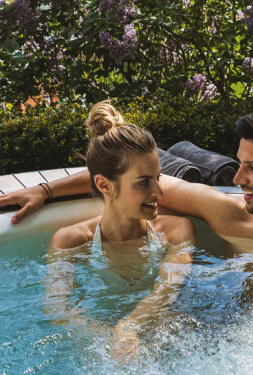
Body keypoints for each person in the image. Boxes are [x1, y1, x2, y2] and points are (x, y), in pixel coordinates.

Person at [0, 105, 253, 293]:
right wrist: (45, 190)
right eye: (239, 164)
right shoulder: (227, 214)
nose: (236, 179)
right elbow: (127, 178)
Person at [43, 102, 194, 360]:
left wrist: (129, 328)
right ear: (104, 185)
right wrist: (113, 340)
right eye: (143, 182)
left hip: (165, 340)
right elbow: (59, 309)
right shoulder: (69, 241)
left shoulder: (176, 232)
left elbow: (167, 291)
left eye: (157, 177)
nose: (159, 192)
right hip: (100, 344)